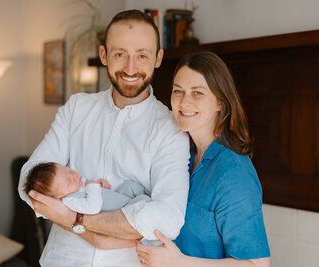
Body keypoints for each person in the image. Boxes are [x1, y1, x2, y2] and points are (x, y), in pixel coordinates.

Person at [18, 9, 190, 267]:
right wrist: (102, 229)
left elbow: (168, 218)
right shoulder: (77, 108)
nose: (130, 68)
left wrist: (76, 220)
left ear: (158, 58)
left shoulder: (171, 129)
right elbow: (29, 181)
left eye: (142, 55)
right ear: (103, 56)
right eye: (120, 54)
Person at [136, 51, 271, 267]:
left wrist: (179, 262)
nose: (184, 102)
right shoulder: (181, 155)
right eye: (178, 91)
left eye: (197, 93)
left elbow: (257, 265)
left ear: (220, 102)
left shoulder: (233, 172)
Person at [24, 162, 150, 215]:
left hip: (120, 197)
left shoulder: (77, 185)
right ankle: (154, 209)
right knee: (142, 202)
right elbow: (93, 207)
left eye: (68, 170)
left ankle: (151, 199)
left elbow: (98, 190)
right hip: (122, 210)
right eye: (68, 181)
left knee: (130, 186)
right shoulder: (70, 200)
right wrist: (93, 186)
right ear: (59, 197)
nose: (73, 176)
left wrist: (100, 184)